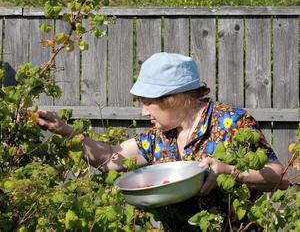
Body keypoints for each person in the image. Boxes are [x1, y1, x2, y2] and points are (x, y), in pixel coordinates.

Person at [37, 52, 289, 196]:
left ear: (176, 98)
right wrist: (65, 131)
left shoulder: (231, 122)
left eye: (149, 102)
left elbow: (280, 177)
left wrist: (230, 172)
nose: (144, 111)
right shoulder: (159, 137)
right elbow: (111, 159)